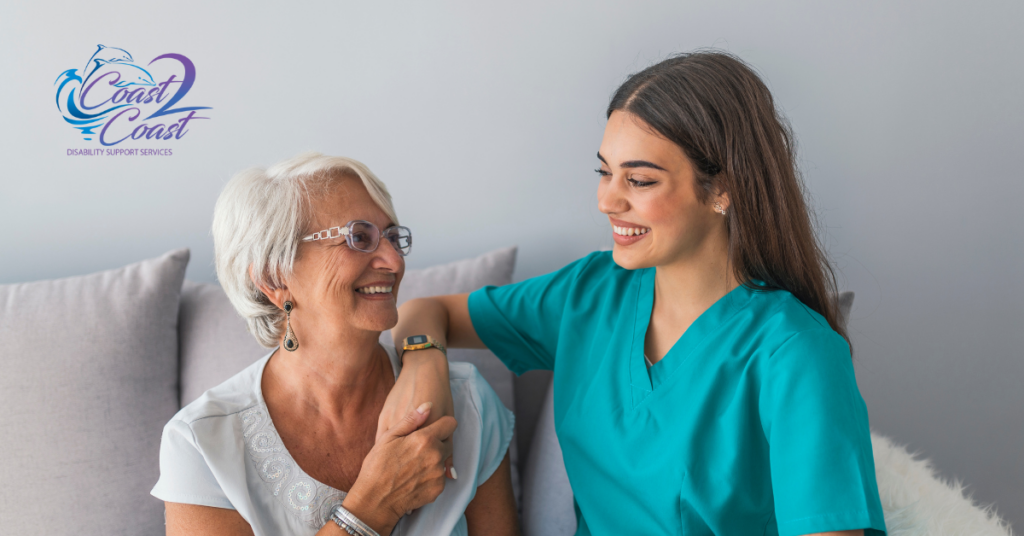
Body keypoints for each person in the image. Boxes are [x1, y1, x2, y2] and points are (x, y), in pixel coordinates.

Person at [381, 51, 888, 535]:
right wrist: (426, 366)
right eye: (604, 172)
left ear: (723, 190)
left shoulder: (797, 353)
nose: (607, 200)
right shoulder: (590, 292)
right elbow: (427, 310)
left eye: (639, 180)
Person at [151, 152, 519, 536]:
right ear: (274, 277)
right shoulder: (201, 443)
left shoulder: (468, 403)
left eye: (393, 237)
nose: (393, 261)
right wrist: (375, 505)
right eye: (359, 237)